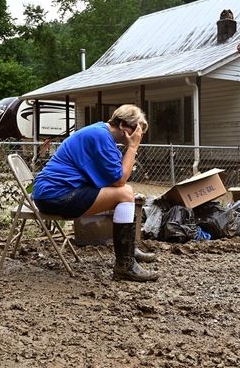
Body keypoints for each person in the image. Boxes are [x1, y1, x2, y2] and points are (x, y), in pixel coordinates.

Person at [32, 104, 158, 282]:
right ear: (122, 125)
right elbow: (120, 179)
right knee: (125, 193)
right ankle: (125, 264)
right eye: (136, 129)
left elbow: (112, 178)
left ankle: (127, 250)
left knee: (124, 192)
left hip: (55, 192)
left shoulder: (101, 134)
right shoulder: (100, 136)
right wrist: (132, 148)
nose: (139, 135)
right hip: (55, 195)